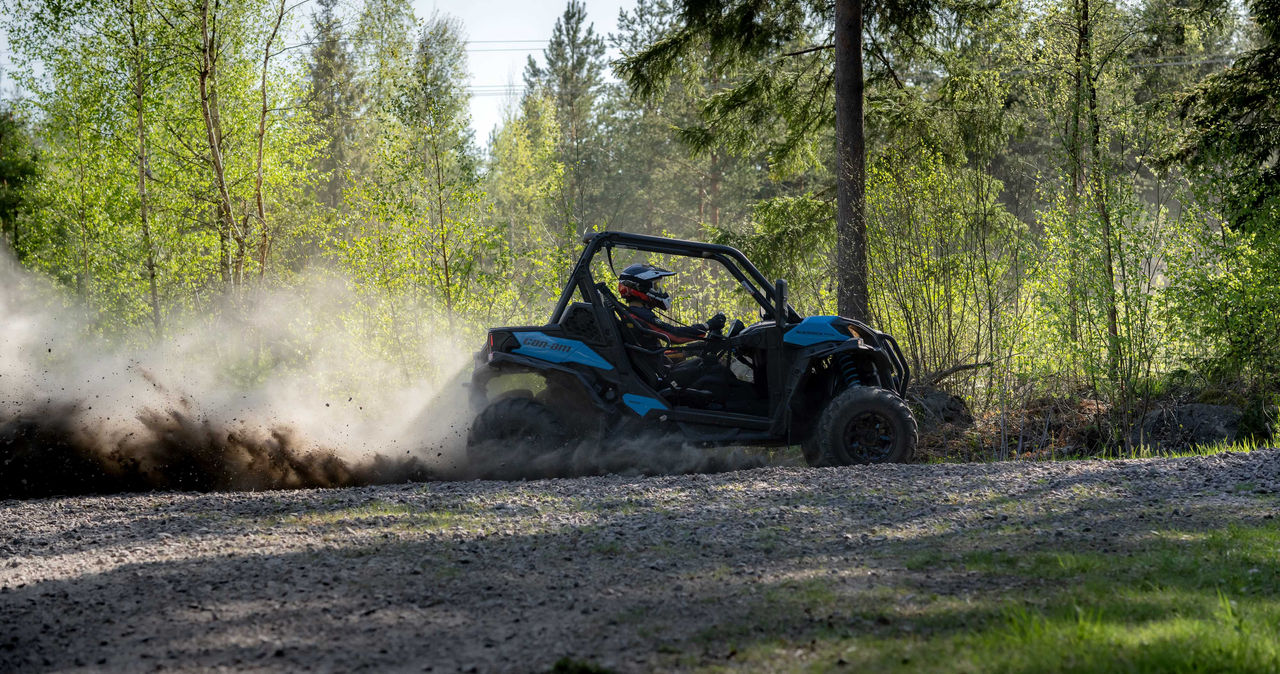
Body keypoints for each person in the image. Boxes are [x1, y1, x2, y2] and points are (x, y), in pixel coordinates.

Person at [617, 263, 735, 400]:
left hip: (660, 371)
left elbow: (653, 351)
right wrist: (707, 325)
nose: (659, 290)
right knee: (716, 370)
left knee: (706, 362)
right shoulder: (640, 316)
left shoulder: (632, 314)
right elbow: (675, 336)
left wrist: (690, 350)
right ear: (640, 288)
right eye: (655, 286)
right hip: (664, 377)